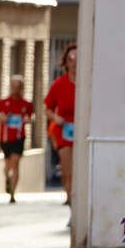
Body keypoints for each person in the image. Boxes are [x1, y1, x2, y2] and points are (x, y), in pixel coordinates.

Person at [44, 43, 77, 208]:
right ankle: (71, 201)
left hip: (83, 131)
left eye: (78, 58)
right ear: (66, 62)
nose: (75, 62)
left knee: (81, 171)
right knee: (67, 170)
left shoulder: (88, 83)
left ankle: (78, 204)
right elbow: (47, 109)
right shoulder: (59, 84)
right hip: (64, 130)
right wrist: (55, 118)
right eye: (71, 58)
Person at [0, 75, 34, 203]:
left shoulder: (26, 104)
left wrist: (29, 120)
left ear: (22, 88)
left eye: (18, 87)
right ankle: (7, 180)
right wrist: (1, 117)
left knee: (15, 163)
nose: (15, 90)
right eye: (13, 86)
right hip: (5, 139)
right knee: (7, 165)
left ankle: (12, 194)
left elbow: (31, 117)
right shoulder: (3, 102)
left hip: (19, 138)